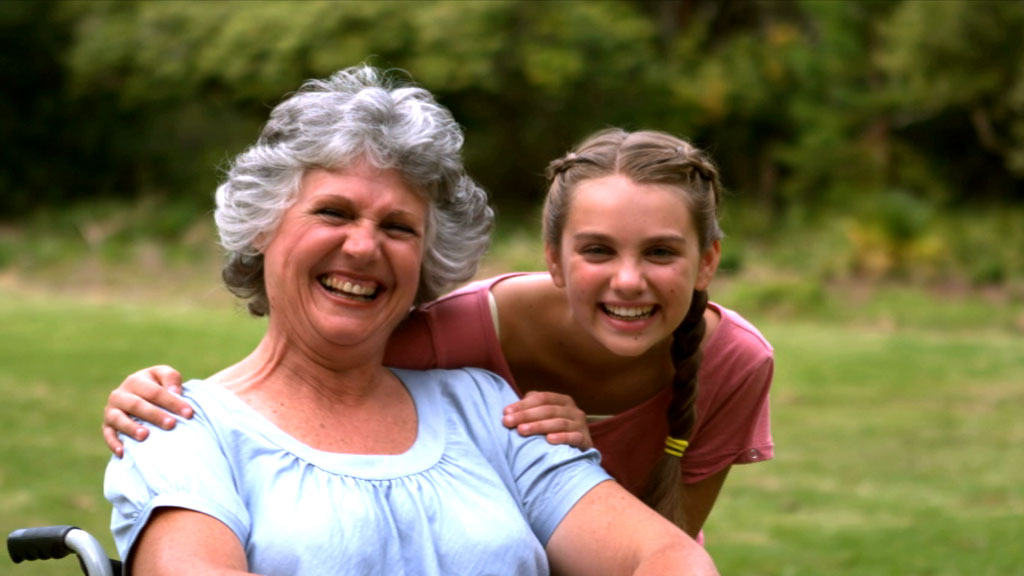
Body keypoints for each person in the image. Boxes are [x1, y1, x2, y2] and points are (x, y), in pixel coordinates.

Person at [103, 65, 718, 575]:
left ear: (428, 257)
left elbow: (667, 556)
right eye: (334, 213)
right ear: (263, 226)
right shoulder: (177, 428)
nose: (363, 247)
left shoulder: (489, 409)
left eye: (398, 227)